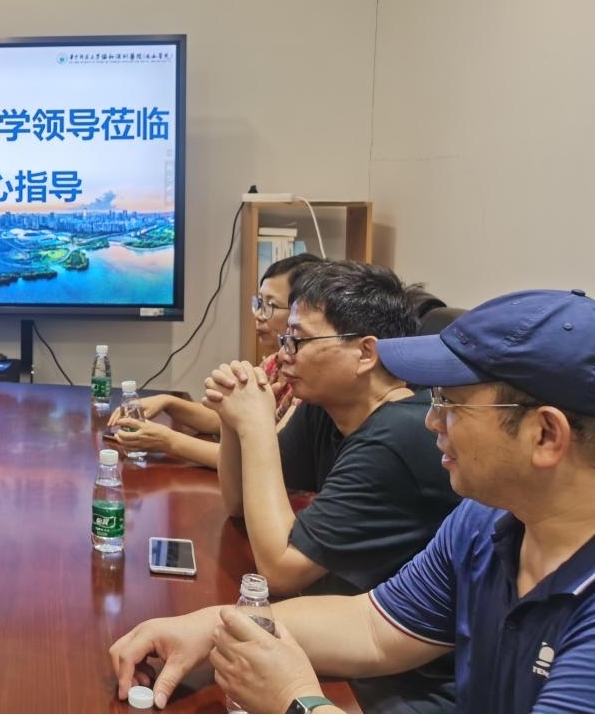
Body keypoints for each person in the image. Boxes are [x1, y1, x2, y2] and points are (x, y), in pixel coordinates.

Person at [110, 288, 595, 714]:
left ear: (545, 434)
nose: (432, 421)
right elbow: (373, 627)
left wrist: (296, 701)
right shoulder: (484, 522)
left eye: (451, 403)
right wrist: (213, 626)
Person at [203, 260, 462, 711]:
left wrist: (257, 426)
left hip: (399, 682)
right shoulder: (326, 407)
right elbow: (240, 504)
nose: (284, 353)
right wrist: (232, 417)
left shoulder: (398, 437)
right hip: (344, 632)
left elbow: (279, 568)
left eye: (298, 340)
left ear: (365, 352)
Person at [108, 253, 323, 468]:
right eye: (259, 303)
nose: (258, 314)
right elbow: (223, 420)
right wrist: (168, 402)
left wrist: (167, 441)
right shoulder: (273, 364)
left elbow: (268, 461)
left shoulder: (309, 386)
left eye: (270, 305)